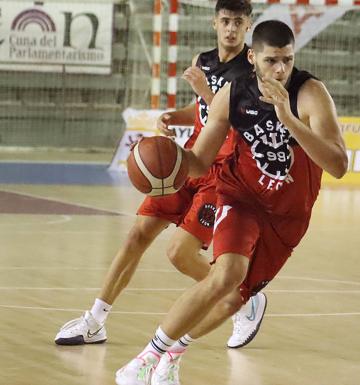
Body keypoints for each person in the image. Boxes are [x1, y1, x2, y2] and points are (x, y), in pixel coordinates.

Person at [114, 20, 348, 385]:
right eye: (271, 61)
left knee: (235, 299)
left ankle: (172, 356)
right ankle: (145, 359)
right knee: (226, 275)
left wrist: (287, 117)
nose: (280, 69)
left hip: (288, 215)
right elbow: (199, 162)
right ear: (252, 57)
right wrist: (169, 160)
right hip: (240, 197)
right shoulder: (232, 92)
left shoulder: (310, 94)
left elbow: (338, 165)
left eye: (287, 60)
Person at [54, 0, 267, 352]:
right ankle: (94, 321)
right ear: (214, 23)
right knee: (137, 234)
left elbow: (242, 122)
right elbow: (201, 114)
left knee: (178, 253)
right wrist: (170, 117)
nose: (231, 28)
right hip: (189, 161)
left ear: (248, 26)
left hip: (223, 173)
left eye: (238, 22)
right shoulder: (204, 61)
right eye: (225, 21)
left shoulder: (251, 69)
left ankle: (244, 297)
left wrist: (207, 93)